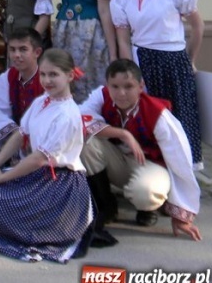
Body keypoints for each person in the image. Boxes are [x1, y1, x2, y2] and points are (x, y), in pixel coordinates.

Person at [0, 49, 92, 263]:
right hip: (38, 174)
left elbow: (39, 158)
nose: (47, 80)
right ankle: (5, 229)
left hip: (59, 184)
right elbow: (20, 134)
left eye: (54, 74)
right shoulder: (43, 101)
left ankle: (25, 232)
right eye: (44, 74)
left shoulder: (67, 114)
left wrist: (1, 177)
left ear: (70, 76)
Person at [79, 59, 202, 241]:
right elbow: (81, 119)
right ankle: (106, 204)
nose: (121, 93)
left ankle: (148, 208)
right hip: (119, 160)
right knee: (85, 141)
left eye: (128, 86)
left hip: (151, 164)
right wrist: (122, 134)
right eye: (115, 86)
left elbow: (179, 159)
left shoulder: (157, 113)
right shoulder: (102, 95)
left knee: (146, 192)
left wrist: (181, 215)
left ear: (140, 86)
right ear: (107, 86)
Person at [110, 0, 205, 169]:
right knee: (151, 114)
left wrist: (189, 59)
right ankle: (156, 168)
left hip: (174, 61)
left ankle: (185, 172)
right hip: (143, 61)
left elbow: (197, 27)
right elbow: (123, 39)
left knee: (179, 115)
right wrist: (131, 73)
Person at [0, 28, 44, 144]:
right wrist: (14, 131)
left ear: (37, 52)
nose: (16, 55)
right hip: (14, 138)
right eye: (12, 50)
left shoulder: (47, 80)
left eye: (23, 49)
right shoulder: (8, 77)